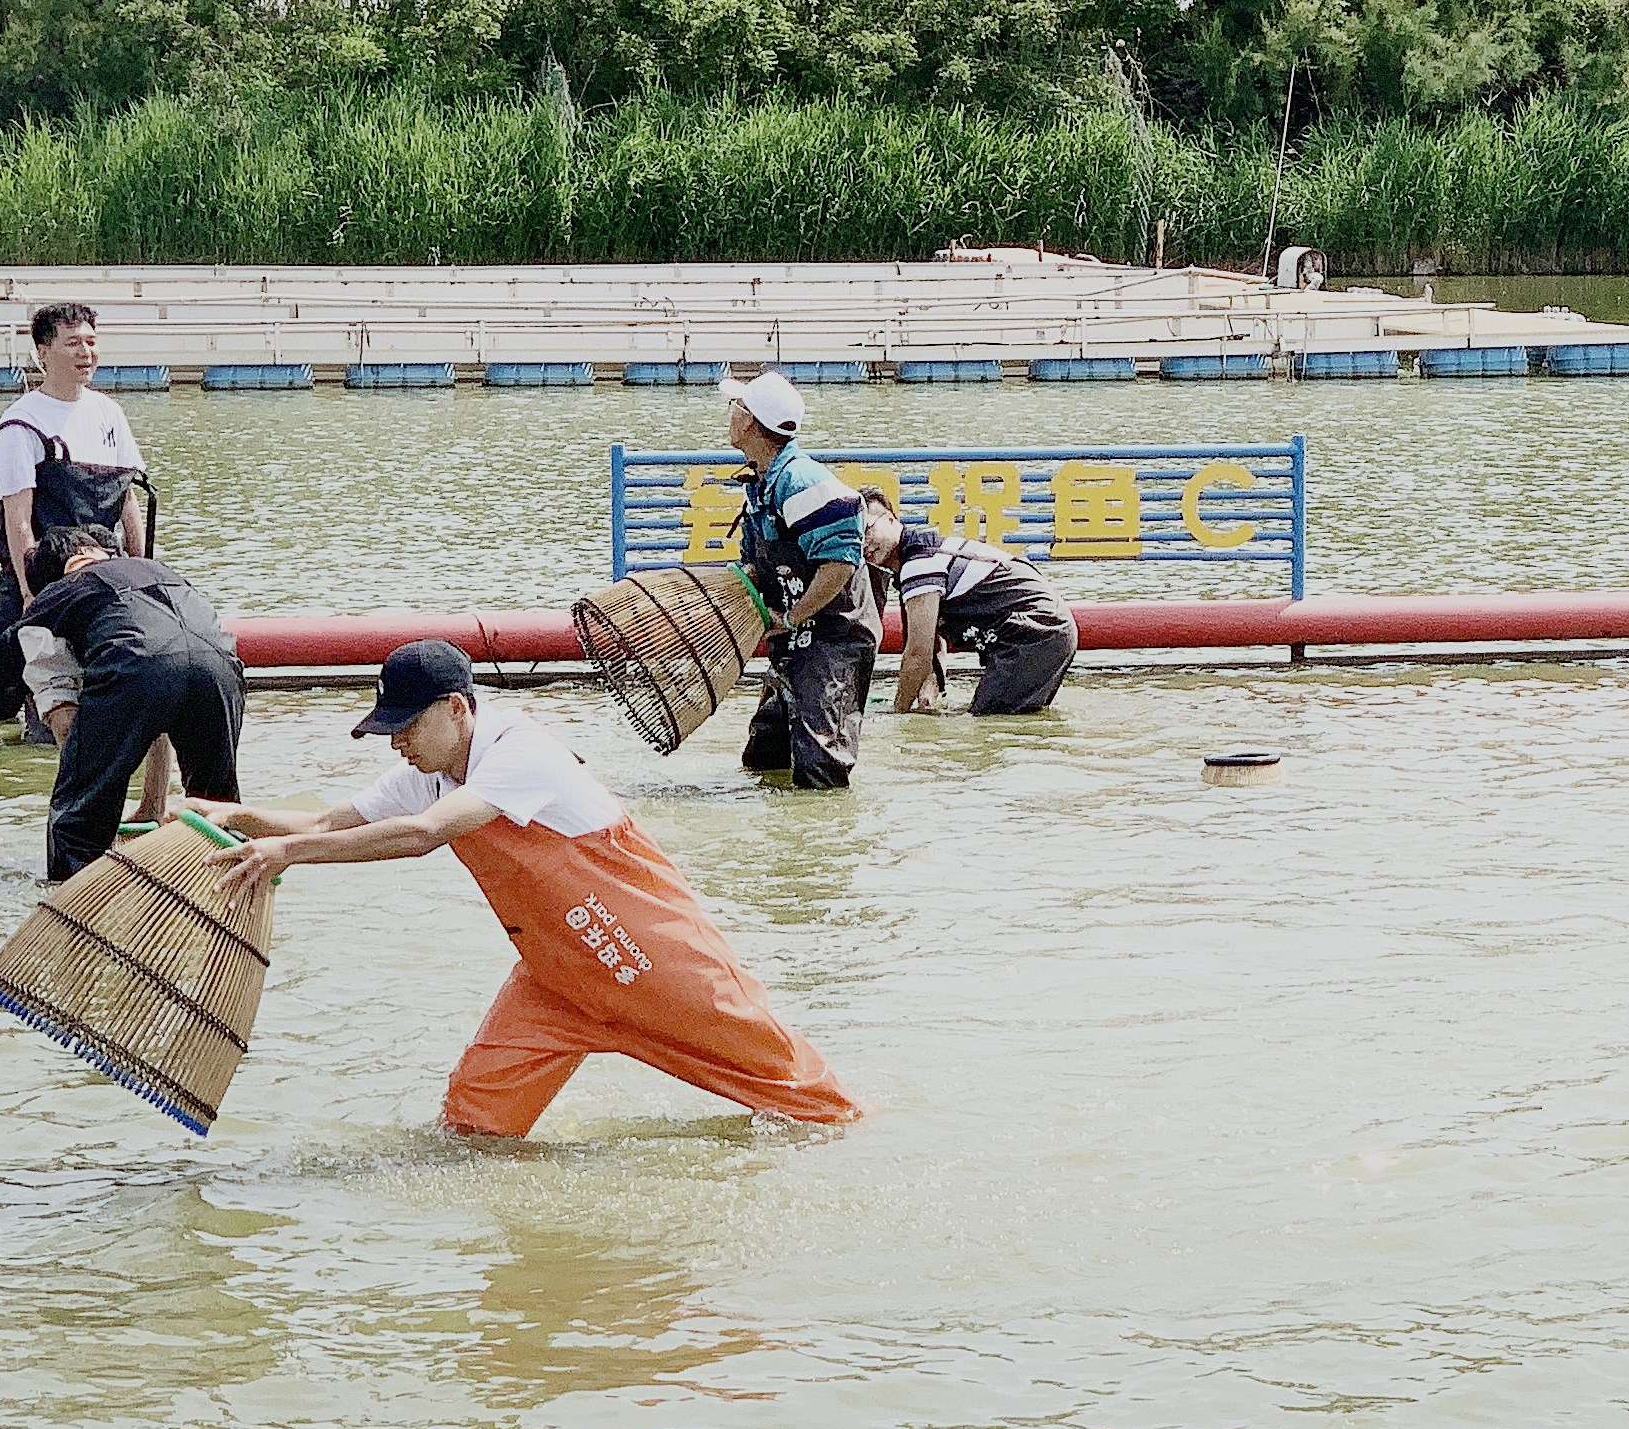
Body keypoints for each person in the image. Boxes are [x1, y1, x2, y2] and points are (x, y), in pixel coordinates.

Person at [200, 641, 859, 1136]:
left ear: (457, 709)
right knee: (473, 1125)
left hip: (651, 961)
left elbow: (425, 834)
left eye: (405, 725)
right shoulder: (427, 769)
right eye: (387, 728)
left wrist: (287, 853)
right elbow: (321, 823)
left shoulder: (520, 750)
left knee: (812, 1108)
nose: (395, 741)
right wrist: (235, 817)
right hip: (557, 977)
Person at [0, 525, 243, 879]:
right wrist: (152, 806)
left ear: (50, 576)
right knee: (217, 810)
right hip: (221, 666)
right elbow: (172, 675)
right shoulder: (160, 570)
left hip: (134, 667)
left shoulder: (60, 593)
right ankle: (229, 900)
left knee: (77, 822)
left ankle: (72, 914)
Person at [0, 302, 153, 728]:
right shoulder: (20, 426)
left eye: (91, 342)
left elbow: (128, 502)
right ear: (43, 352)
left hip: (101, 571)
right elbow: (18, 520)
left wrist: (142, 570)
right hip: (38, 574)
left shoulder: (109, 413)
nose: (86, 352)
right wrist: (31, 595)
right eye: (73, 343)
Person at [722, 370, 878, 788]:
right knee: (765, 758)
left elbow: (840, 562)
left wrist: (792, 617)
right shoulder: (761, 482)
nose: (730, 413)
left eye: (736, 406)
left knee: (820, 769)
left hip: (831, 640)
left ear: (751, 422)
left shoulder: (801, 481)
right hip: (794, 639)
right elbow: (757, 562)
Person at [860, 485, 1078, 717]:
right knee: (1012, 724)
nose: (863, 543)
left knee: (988, 724)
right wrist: (928, 696)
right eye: (855, 537)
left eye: (868, 530)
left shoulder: (919, 564)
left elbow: (917, 654)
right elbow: (934, 642)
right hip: (1049, 628)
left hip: (1034, 632)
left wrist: (898, 714)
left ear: (891, 519)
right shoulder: (926, 552)